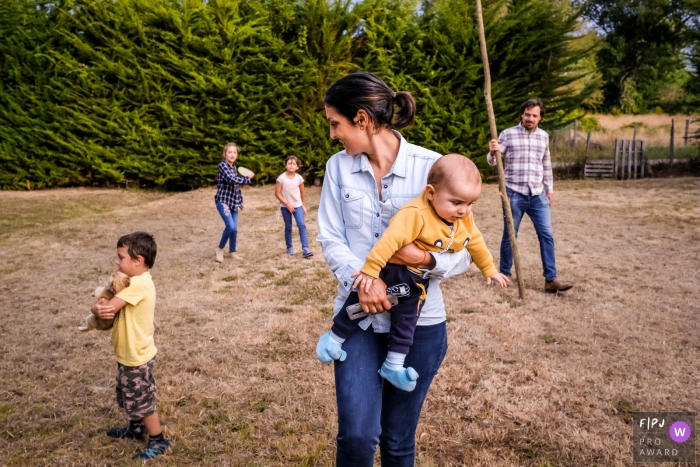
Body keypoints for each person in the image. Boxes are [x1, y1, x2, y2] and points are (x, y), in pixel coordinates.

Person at [317, 72, 476, 467]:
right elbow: (330, 237)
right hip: (359, 321)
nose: (333, 134)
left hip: (419, 327)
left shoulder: (432, 168)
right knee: (356, 437)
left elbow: (467, 249)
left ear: (362, 120)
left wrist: (425, 260)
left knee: (397, 440)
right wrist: (365, 281)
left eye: (335, 124)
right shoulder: (337, 168)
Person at [316, 154, 508, 392]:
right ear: (431, 193)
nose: (464, 211)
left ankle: (393, 365)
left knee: (406, 321)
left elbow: (475, 242)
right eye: (457, 203)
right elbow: (389, 242)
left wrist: (489, 269)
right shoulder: (416, 213)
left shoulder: (463, 220)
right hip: (391, 271)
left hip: (416, 283)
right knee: (359, 304)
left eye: (470, 204)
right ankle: (333, 339)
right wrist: (371, 271)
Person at [90, 232, 171, 461]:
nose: (117, 262)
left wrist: (99, 307)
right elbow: (101, 306)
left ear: (138, 261)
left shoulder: (139, 284)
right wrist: (99, 306)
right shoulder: (132, 281)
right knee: (129, 395)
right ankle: (136, 429)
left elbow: (106, 308)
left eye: (121, 257)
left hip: (137, 356)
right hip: (128, 354)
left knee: (142, 400)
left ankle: (158, 439)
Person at [487, 98, 573, 293]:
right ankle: (505, 274)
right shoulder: (508, 134)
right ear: (521, 114)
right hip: (513, 193)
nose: (530, 118)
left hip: (537, 195)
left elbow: (546, 165)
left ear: (540, 117)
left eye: (534, 115)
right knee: (510, 235)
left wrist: (549, 190)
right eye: (527, 114)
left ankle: (551, 280)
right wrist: (492, 152)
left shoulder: (544, 137)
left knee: (547, 235)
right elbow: (493, 162)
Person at [214, 142, 254, 263]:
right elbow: (231, 180)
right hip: (223, 201)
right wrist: (248, 178)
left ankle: (232, 252)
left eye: (234, 152)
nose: (232, 154)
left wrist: (240, 198)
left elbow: (235, 186)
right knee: (230, 226)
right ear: (225, 154)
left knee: (235, 229)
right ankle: (219, 249)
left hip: (233, 202)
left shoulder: (234, 167)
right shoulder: (222, 166)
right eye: (229, 152)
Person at [275, 155, 314, 258]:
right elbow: (277, 193)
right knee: (288, 227)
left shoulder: (299, 178)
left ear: (297, 167)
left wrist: (302, 205)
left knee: (301, 225)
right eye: (289, 163)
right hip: (285, 206)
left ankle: (305, 249)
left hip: (297, 206)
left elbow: (302, 192)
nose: (291, 165)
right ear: (286, 165)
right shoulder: (281, 178)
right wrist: (287, 204)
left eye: (294, 164)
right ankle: (289, 248)